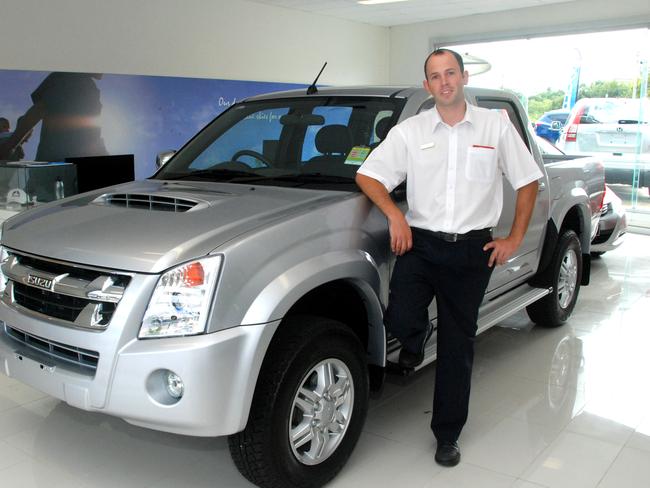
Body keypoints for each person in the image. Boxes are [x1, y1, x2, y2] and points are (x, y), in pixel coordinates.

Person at [355, 48, 542, 467]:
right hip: (420, 244)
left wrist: (512, 237)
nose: (444, 82)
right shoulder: (411, 130)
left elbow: (529, 180)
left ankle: (447, 434)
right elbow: (368, 175)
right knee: (400, 317)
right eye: (435, 76)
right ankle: (415, 338)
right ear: (427, 85)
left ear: (463, 77)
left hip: (472, 251)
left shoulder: (495, 126)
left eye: (451, 73)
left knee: (458, 346)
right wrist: (394, 216)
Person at [0, 72, 107, 162]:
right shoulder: (70, 78)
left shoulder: (90, 88)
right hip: (55, 165)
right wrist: (10, 146)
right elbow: (39, 110)